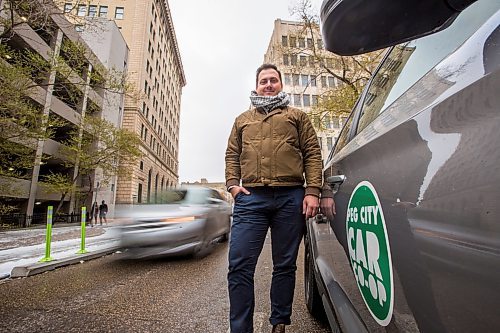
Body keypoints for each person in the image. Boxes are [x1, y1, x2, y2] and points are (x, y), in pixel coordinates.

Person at [225, 63, 322, 333]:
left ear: (281, 84)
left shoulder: (297, 117)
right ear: (256, 86)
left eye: (273, 80)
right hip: (251, 198)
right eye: (264, 81)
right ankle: (240, 328)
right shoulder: (242, 120)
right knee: (239, 265)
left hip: (291, 197)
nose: (268, 85)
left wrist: (312, 190)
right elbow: (232, 155)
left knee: (285, 264)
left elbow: (312, 153)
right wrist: (233, 185)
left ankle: (279, 322)